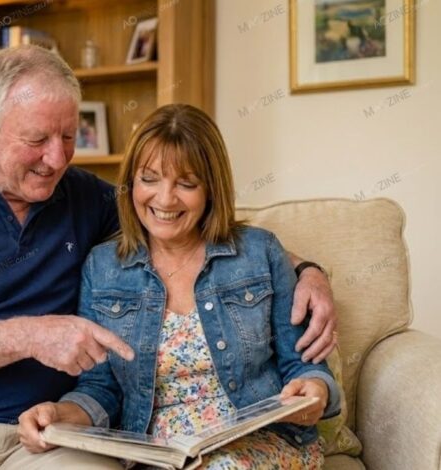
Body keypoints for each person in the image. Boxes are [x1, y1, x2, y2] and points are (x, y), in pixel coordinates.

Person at [0, 46, 337, 469]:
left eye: (68, 137)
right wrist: (30, 335)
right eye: (37, 140)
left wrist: (306, 271)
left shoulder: (87, 198)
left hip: (46, 438)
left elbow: (194, 230)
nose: (57, 159)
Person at [18, 104, 341, 468]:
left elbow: (303, 366)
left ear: (211, 189)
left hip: (256, 445)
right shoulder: (103, 267)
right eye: (149, 179)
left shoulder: (260, 252)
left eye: (186, 184)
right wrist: (58, 414)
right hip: (159, 455)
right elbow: (100, 388)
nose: (165, 199)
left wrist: (315, 391)